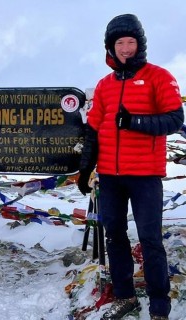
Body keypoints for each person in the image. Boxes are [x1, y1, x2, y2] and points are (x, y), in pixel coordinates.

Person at [77, 14, 184, 320]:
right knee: (114, 236)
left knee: (150, 239)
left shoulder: (159, 77)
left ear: (140, 44)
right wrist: (86, 169)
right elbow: (94, 130)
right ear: (111, 48)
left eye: (130, 42)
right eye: (119, 43)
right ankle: (125, 297)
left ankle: (160, 307)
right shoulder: (105, 85)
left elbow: (175, 119)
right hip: (111, 176)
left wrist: (134, 121)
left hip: (145, 177)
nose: (125, 48)